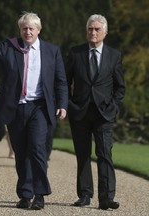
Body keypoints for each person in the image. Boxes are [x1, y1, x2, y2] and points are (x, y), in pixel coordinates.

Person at [0, 11, 68, 210]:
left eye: (31, 28)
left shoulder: (51, 51)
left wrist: (62, 104)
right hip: (16, 107)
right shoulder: (10, 46)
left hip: (39, 107)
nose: (27, 32)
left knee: (37, 148)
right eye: (24, 28)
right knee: (21, 153)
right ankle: (25, 194)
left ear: (38, 30)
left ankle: (40, 194)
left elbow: (61, 81)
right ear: (20, 30)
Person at [65, 14, 125, 210]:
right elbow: (64, 82)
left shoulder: (114, 56)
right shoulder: (75, 53)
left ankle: (106, 197)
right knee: (82, 154)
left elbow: (120, 87)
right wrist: (69, 103)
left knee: (105, 154)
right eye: (90, 29)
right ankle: (84, 194)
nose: (93, 32)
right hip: (79, 113)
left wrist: (113, 106)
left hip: (104, 115)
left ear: (105, 33)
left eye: (97, 29)